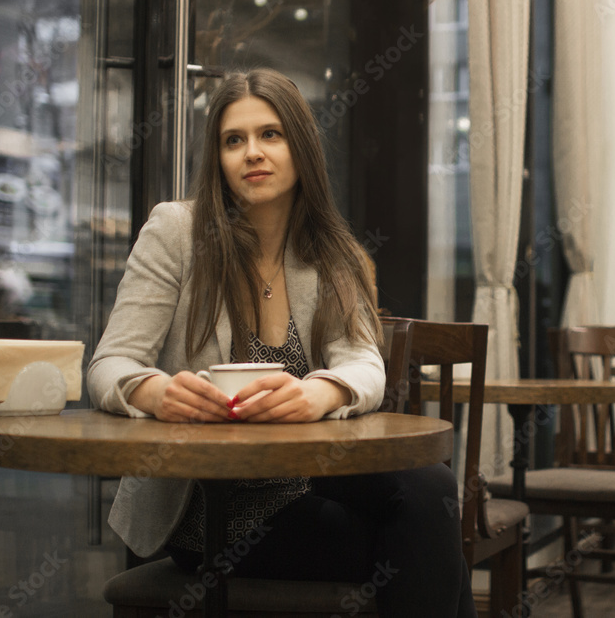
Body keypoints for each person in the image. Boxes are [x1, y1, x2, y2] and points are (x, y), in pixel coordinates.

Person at [88, 68, 476, 617]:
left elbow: (365, 359)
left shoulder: (329, 249)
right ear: (218, 158)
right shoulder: (177, 231)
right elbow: (110, 363)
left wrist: (325, 392)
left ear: (301, 146)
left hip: (308, 482)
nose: (253, 153)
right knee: (428, 543)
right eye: (233, 140)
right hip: (206, 505)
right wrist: (153, 391)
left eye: (271, 134)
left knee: (431, 490)